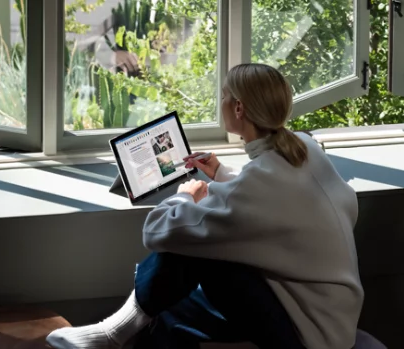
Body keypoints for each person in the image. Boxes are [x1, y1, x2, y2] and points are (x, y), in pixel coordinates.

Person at [45, 63, 364, 349]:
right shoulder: (305, 147)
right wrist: (222, 175)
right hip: (332, 316)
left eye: (224, 95)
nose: (220, 101)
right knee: (181, 290)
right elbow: (273, 201)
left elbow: (158, 232)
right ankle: (121, 331)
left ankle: (112, 334)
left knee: (192, 251)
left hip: (309, 335)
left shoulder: (257, 184)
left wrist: (183, 195)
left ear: (238, 108)